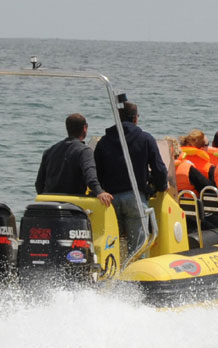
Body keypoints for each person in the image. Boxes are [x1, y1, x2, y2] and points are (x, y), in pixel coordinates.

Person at [93, 96, 167, 258]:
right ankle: (138, 279)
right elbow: (159, 169)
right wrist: (160, 187)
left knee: (111, 244)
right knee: (138, 248)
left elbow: (96, 172)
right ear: (135, 118)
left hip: (109, 200)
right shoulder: (146, 139)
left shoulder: (104, 142)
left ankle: (112, 276)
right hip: (135, 197)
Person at [36, 113, 114, 207]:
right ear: (85, 128)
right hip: (72, 206)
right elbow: (90, 176)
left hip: (50, 204)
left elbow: (39, 184)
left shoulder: (50, 151)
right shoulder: (84, 151)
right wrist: (99, 192)